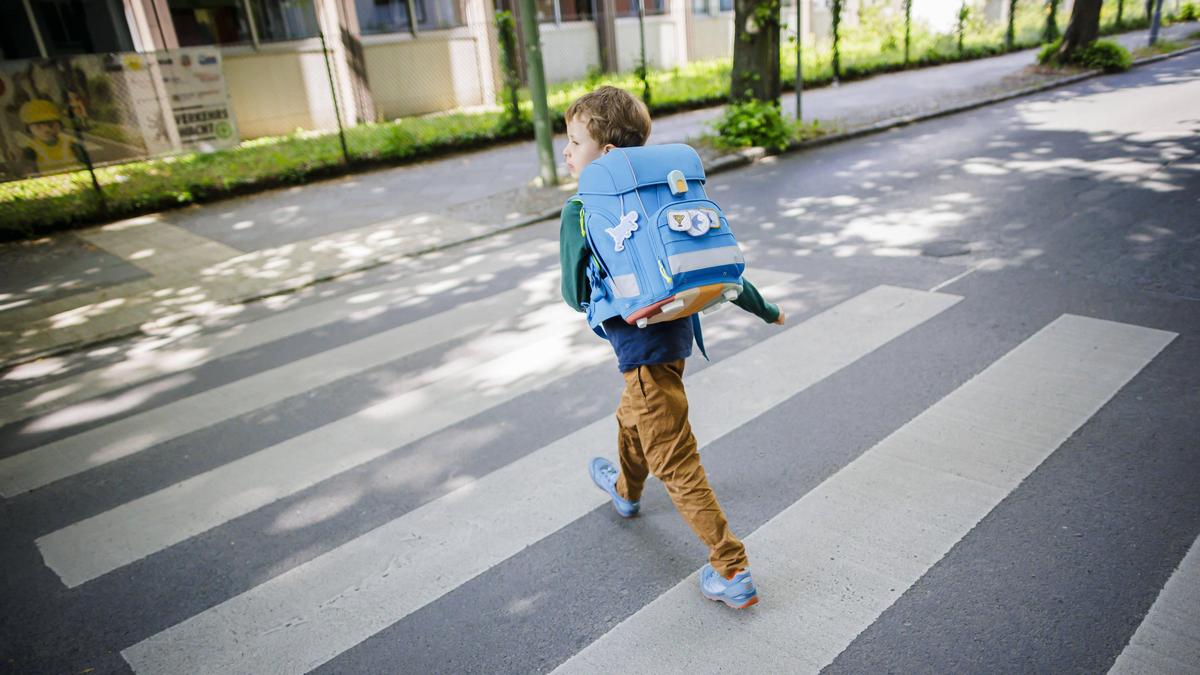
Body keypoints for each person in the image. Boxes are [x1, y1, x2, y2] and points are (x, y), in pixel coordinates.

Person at [559, 86, 785, 610]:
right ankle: (625, 490)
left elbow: (574, 296)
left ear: (608, 155)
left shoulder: (582, 211)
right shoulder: (668, 191)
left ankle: (731, 567)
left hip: (641, 351)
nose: (567, 154)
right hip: (675, 336)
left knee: (675, 459)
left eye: (573, 143)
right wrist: (765, 307)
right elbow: (714, 263)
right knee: (631, 418)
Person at [18, 99, 86, 175]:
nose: (46, 130)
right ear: (29, 129)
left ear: (59, 124)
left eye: (51, 125)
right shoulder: (30, 151)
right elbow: (29, 173)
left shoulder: (71, 144)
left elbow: (86, 163)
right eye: (38, 126)